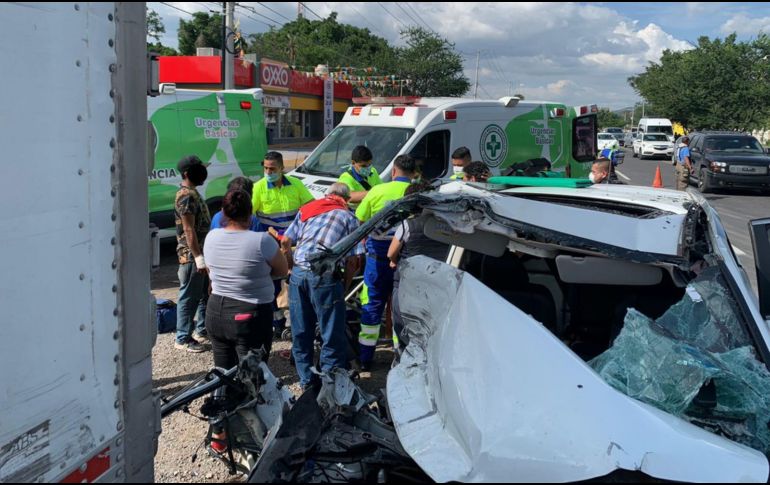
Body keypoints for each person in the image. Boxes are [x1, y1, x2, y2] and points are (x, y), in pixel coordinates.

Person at [203, 188, 287, 453]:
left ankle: (219, 434)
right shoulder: (261, 240)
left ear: (224, 213)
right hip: (249, 314)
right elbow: (282, 270)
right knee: (253, 377)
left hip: (216, 311)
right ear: (250, 214)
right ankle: (257, 438)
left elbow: (210, 268)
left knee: (222, 375)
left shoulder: (212, 236)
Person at [282, 183, 364, 391]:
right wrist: (344, 287)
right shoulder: (349, 217)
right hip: (325, 277)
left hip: (299, 274)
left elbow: (285, 241)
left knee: (301, 330)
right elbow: (354, 261)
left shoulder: (308, 209)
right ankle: (329, 383)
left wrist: (291, 267)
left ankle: (306, 382)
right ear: (345, 200)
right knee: (331, 332)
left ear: (327, 195)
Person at [355, 155, 417, 370]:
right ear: (414, 173)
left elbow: (360, 221)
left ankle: (365, 359)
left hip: (377, 262)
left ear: (393, 171)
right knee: (403, 310)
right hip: (408, 262)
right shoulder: (418, 194)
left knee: (372, 306)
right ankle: (400, 358)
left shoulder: (377, 191)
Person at [251, 151, 315, 336]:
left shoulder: (296, 185)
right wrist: (266, 234)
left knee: (296, 283)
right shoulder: (258, 188)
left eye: (272, 169)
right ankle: (277, 322)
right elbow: (250, 217)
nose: (268, 172)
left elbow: (310, 208)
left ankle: (297, 321)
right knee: (272, 284)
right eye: (265, 168)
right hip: (271, 246)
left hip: (296, 246)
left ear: (282, 168)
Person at [387, 181, 451, 350]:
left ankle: (404, 355)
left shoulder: (408, 224)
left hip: (408, 281)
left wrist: (394, 260)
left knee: (403, 323)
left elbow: (391, 253)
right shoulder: (447, 223)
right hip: (438, 280)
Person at [174, 155, 212, 353]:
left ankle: (202, 330)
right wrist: (198, 258)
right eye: (199, 169)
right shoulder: (186, 196)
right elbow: (189, 230)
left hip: (201, 254)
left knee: (204, 294)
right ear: (188, 173)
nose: (204, 172)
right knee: (189, 297)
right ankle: (183, 337)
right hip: (191, 257)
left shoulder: (192, 193)